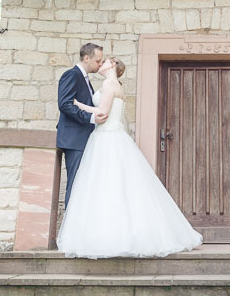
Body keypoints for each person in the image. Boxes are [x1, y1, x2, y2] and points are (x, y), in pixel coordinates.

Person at [56, 56, 203, 258]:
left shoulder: (109, 84)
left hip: (106, 138)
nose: (100, 65)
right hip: (108, 136)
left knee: (107, 186)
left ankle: (110, 236)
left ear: (113, 66)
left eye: (105, 62)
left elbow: (102, 113)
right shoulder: (114, 85)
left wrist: (78, 104)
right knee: (115, 186)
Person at [56, 43, 108, 207]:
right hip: (74, 139)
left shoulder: (85, 80)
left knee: (83, 185)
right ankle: (68, 230)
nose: (100, 65)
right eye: (98, 61)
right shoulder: (71, 75)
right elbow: (65, 104)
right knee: (75, 183)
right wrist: (91, 118)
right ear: (86, 58)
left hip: (84, 139)